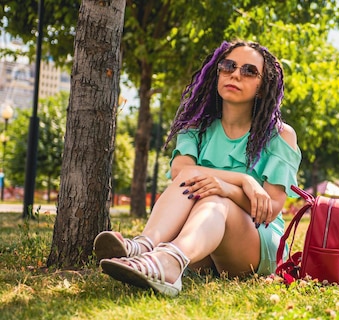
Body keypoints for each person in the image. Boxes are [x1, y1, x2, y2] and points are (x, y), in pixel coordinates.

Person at [93, 40, 301, 297]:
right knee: (194, 181)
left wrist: (225, 189)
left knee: (215, 199)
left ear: (262, 87)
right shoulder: (195, 127)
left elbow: (270, 210)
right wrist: (244, 180)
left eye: (249, 71)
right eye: (228, 66)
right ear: (218, 73)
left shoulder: (280, 135)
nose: (236, 74)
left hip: (253, 244)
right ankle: (145, 247)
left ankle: (169, 260)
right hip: (199, 242)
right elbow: (182, 173)